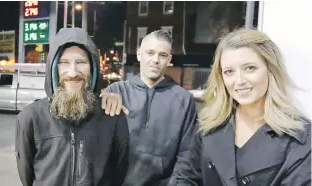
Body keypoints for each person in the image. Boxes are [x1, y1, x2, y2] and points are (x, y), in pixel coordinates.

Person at [174, 28, 311, 185]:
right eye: (229, 71)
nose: (239, 80)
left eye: (250, 68)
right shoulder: (209, 124)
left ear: (270, 70)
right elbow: (184, 177)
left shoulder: (301, 136)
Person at [15, 28, 129, 186]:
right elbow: (27, 176)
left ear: (93, 68)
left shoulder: (113, 116)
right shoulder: (30, 119)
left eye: (81, 62)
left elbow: (119, 172)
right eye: (64, 63)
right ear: (54, 67)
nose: (73, 72)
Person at [101, 30, 198, 186]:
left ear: (169, 60)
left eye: (162, 55)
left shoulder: (184, 101)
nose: (155, 60)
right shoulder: (116, 92)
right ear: (139, 54)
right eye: (150, 53)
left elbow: (187, 157)